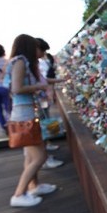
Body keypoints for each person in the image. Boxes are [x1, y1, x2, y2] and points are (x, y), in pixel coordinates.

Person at [4, 34, 56, 207]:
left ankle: (34, 186)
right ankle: (19, 194)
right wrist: (40, 86)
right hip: (24, 115)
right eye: (35, 46)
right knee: (40, 157)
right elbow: (17, 88)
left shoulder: (18, 62)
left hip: (23, 113)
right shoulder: (20, 62)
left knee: (30, 155)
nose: (37, 50)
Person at [36, 38, 64, 168]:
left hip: (39, 99)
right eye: (43, 50)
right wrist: (40, 89)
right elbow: (41, 82)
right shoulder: (28, 64)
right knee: (41, 124)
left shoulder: (33, 63)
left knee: (43, 121)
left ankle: (46, 149)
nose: (44, 54)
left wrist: (60, 80)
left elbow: (43, 79)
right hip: (36, 101)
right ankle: (44, 159)